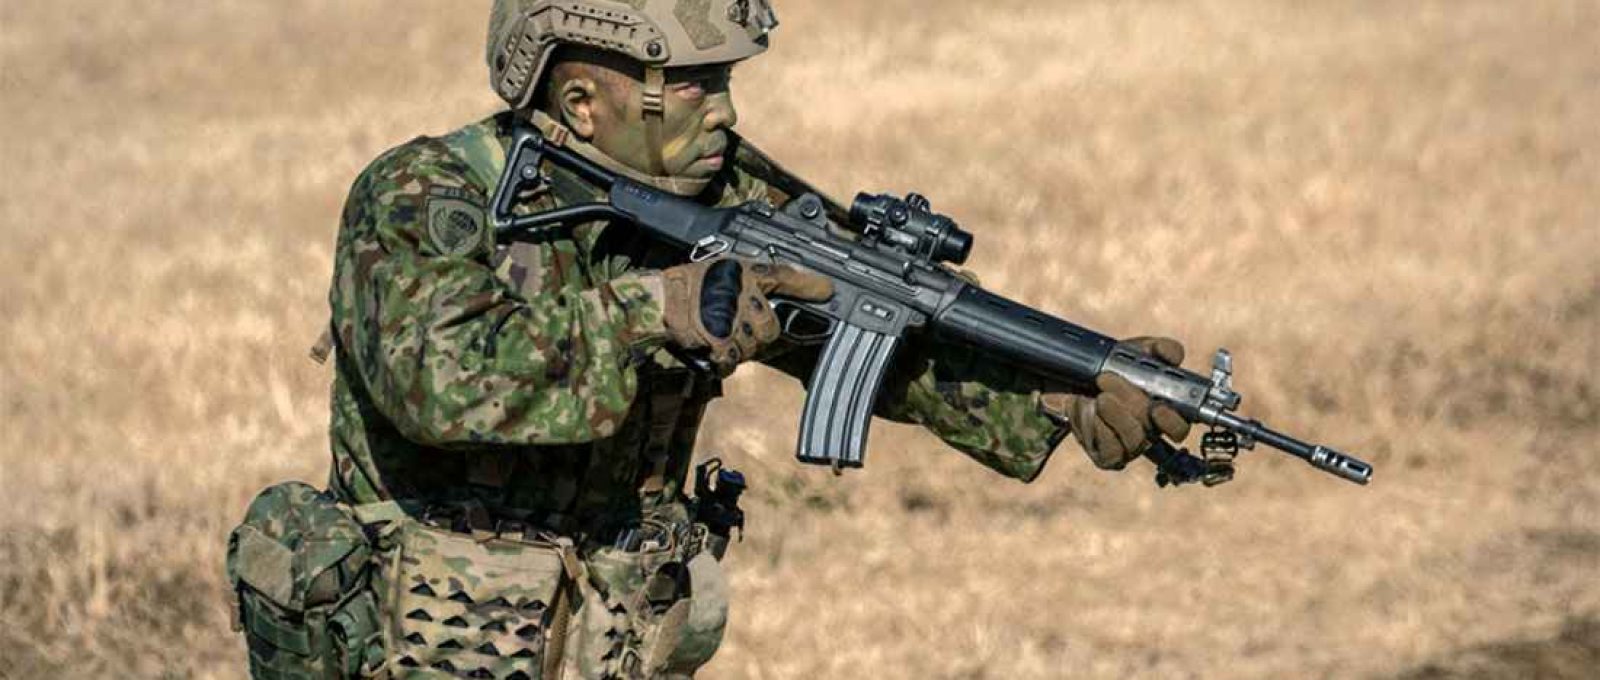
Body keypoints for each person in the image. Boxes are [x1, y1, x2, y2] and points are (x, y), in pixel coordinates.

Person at [226, 1, 1190, 678]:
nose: (724, 109)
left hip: (617, 640)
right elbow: (441, 382)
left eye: (724, 78)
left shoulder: (728, 197)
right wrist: (660, 310)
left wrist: (1057, 388)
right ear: (581, 101)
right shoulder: (426, 194)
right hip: (428, 644)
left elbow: (885, 320)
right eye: (688, 83)